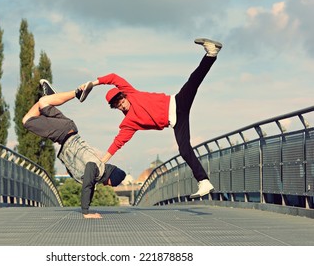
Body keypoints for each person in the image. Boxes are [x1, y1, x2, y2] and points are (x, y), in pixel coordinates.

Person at [81, 38, 222, 198]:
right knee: (184, 150)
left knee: (193, 80)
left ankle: (212, 53)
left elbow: (113, 78)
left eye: (120, 100)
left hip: (177, 102)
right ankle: (204, 182)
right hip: (176, 121)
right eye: (117, 106)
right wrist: (102, 162)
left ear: (123, 95)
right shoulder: (129, 123)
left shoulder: (131, 93)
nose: (121, 105)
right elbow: (117, 144)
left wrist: (93, 83)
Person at [22, 80, 126, 219]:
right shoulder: (96, 168)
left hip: (67, 130)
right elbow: (87, 186)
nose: (110, 186)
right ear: (111, 178)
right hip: (63, 133)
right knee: (28, 120)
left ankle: (52, 98)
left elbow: (90, 186)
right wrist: (86, 212)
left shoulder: (98, 169)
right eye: (113, 184)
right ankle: (76, 93)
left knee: (43, 103)